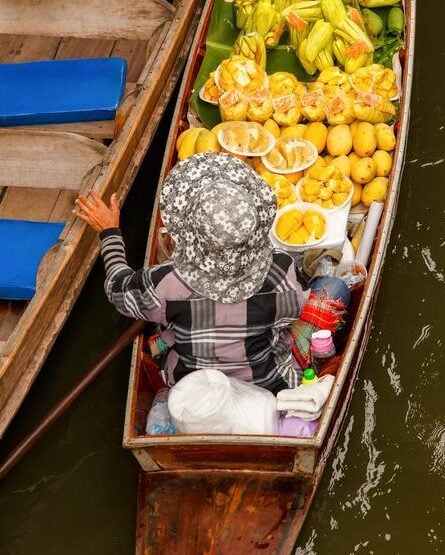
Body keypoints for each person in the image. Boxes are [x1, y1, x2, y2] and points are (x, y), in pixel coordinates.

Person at [74, 152, 308, 393]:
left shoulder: (166, 282)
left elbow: (117, 288)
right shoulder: (283, 269)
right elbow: (295, 310)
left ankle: (168, 337)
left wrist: (110, 232)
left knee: (166, 319)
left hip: (192, 389)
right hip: (269, 383)